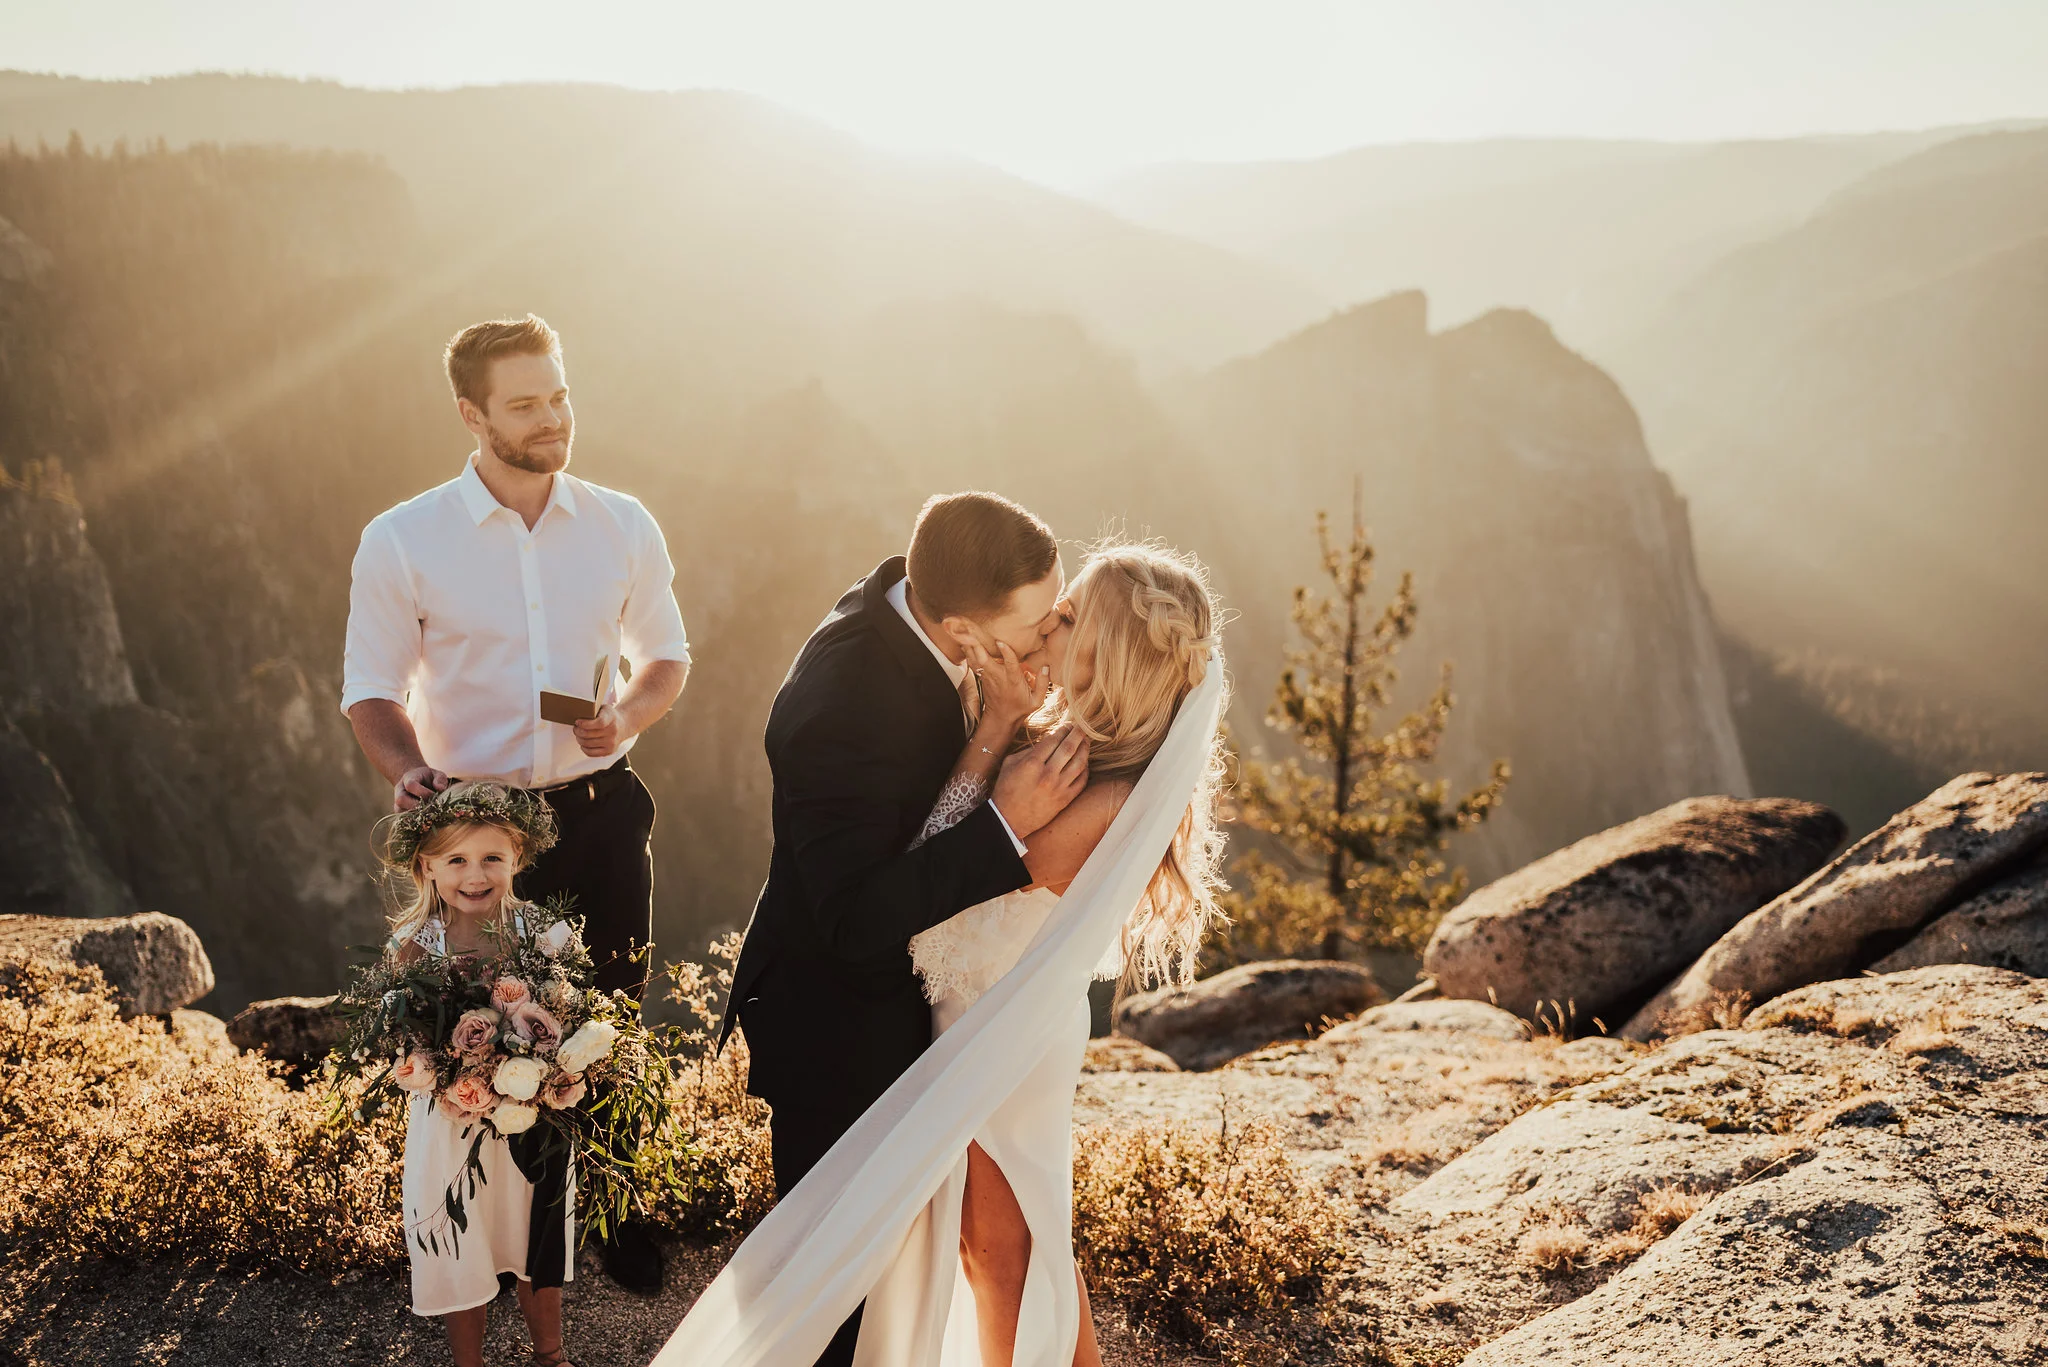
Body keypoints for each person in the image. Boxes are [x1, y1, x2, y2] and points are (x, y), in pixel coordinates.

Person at [669, 539, 1227, 1367]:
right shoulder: (1060, 746)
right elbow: (950, 854)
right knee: (1010, 1240)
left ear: (1107, 651)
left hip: (1005, 1036)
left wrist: (998, 768)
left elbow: (945, 878)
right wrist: (1000, 729)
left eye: (1068, 616)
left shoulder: (1106, 795)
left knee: (1001, 1254)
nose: (1048, 624)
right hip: (968, 1022)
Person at [340, 314, 691, 1294]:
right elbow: (370, 689)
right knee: (482, 1027)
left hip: (603, 806)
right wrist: (408, 769)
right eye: (526, 404)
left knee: (610, 1008)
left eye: (559, 395)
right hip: (479, 832)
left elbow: (666, 655)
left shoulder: (623, 522)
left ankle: (613, 1201)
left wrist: (627, 713)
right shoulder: (403, 537)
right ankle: (486, 1224)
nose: (553, 418)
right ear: (472, 415)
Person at [720, 491, 1090, 1367]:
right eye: (1037, 623)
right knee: (834, 1295)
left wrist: (999, 722)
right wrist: (1004, 826)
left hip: (919, 1000)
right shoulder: (839, 706)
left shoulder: (924, 607)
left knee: (907, 1280)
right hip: (836, 1028)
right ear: (963, 630)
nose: (1051, 635)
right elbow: (853, 920)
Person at [382, 781, 579, 1367]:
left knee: (534, 1230)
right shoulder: (415, 946)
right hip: (453, 1122)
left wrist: (545, 1067)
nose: (475, 875)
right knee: (460, 1239)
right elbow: (403, 1042)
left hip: (533, 1121)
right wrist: (444, 1070)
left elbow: (569, 1016)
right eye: (457, 861)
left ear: (517, 857)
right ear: (428, 866)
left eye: (492, 857)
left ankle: (550, 1354)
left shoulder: (544, 933)